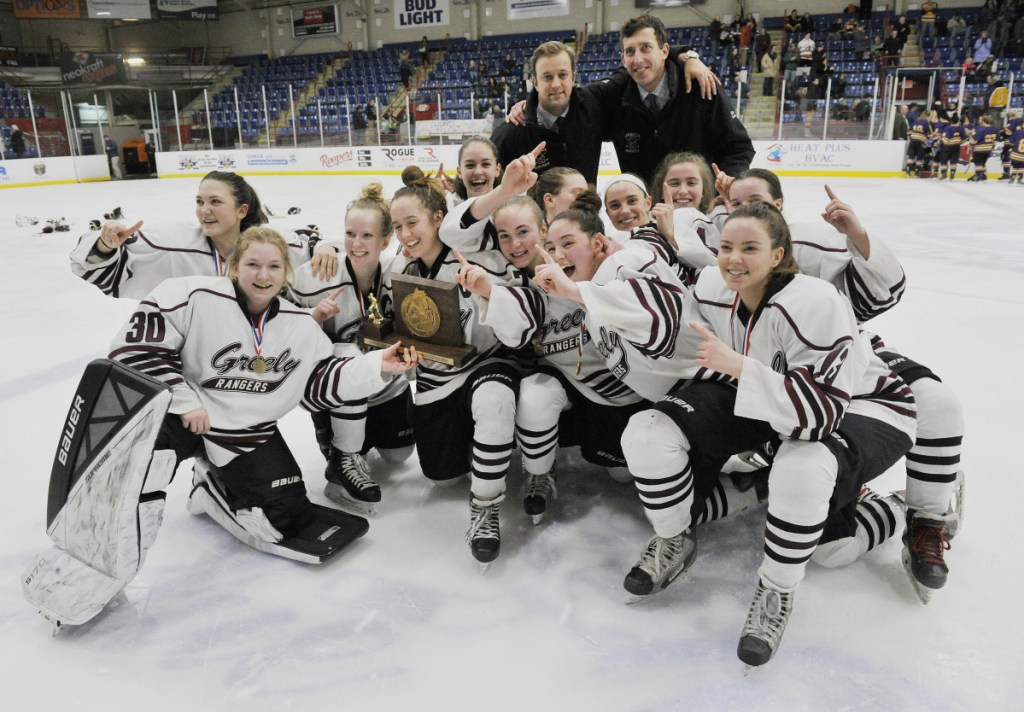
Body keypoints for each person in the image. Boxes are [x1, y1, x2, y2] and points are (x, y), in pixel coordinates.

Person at [619, 201, 917, 665]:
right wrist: (581, 297)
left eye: (750, 248)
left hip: (863, 405)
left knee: (813, 502)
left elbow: (819, 414)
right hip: (778, 399)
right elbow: (671, 325)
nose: (734, 258)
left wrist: (737, 366)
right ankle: (675, 537)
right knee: (647, 431)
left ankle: (786, 583)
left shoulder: (816, 300)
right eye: (726, 247)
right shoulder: (717, 285)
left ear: (778, 255)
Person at [456, 189, 689, 524]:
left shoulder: (620, 262)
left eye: (525, 233)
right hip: (581, 392)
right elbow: (520, 314)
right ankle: (539, 472)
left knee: (624, 475)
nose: (556, 254)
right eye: (551, 248)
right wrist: (488, 291)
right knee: (535, 394)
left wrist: (664, 229)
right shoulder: (536, 285)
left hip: (644, 395)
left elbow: (648, 275)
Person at [386, 166, 522, 564]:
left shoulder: (475, 257)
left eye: (413, 223)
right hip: (436, 383)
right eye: (398, 226)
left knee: (494, 396)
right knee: (441, 475)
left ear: (438, 221)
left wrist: (489, 292)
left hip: (486, 365)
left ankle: (485, 507)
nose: (406, 234)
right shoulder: (401, 269)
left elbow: (512, 326)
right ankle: (484, 447)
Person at [289, 183, 416, 515]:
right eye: (349, 234)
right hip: (335, 391)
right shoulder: (315, 276)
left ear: (385, 241)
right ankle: (344, 455)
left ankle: (363, 437)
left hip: (384, 386)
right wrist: (311, 317)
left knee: (399, 455)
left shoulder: (397, 271)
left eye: (367, 236)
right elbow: (278, 319)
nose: (357, 244)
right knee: (348, 353)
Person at [70, 170, 337, 299]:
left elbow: (309, 240)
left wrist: (326, 246)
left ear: (241, 210)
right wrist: (106, 245)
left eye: (215, 202)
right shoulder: (173, 244)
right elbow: (94, 269)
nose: (204, 211)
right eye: (199, 202)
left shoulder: (268, 243)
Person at [493, 40, 717, 185]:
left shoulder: (594, 102)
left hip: (586, 223)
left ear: (573, 78)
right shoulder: (513, 131)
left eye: (562, 75)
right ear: (534, 81)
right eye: (547, 77)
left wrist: (687, 57)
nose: (555, 84)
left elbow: (635, 66)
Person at [608, 13, 755, 186]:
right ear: (623, 59)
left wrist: (726, 184)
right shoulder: (614, 99)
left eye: (646, 47)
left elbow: (738, 147)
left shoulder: (702, 85)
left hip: (700, 206)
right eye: (630, 51)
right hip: (647, 209)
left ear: (664, 51)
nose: (638, 59)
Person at [967, 114, 999, 181]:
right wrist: (991, 146)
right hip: (989, 149)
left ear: (984, 121)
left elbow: (974, 141)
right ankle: (983, 175)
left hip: (980, 149)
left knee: (978, 163)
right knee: (983, 163)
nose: (980, 121)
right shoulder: (995, 129)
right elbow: (996, 140)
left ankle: (979, 175)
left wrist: (970, 136)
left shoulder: (980, 129)